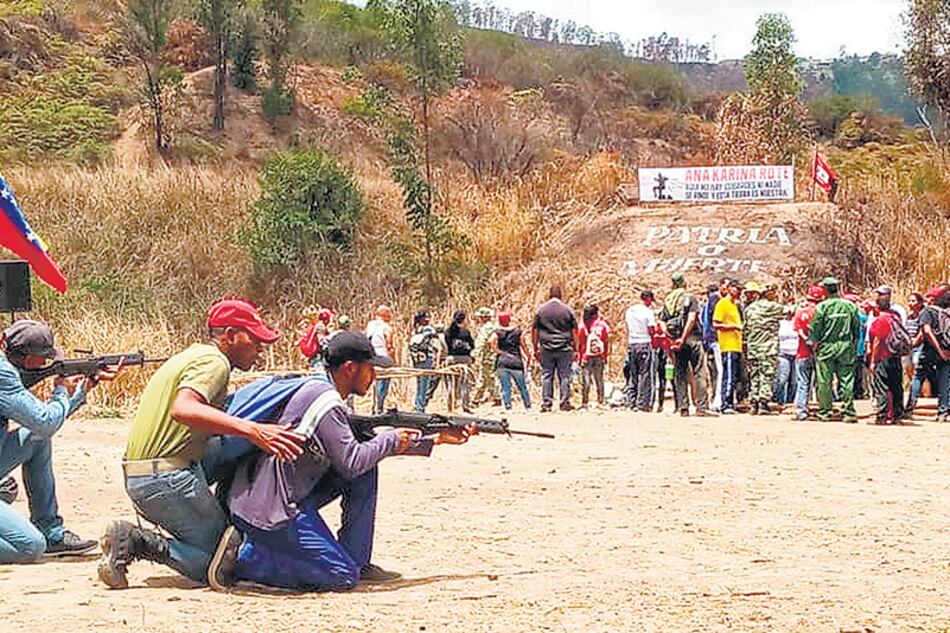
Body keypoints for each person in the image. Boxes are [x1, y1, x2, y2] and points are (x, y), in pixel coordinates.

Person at [211, 331, 474, 592]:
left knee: (366, 471)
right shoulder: (325, 401)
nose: (375, 376)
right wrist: (391, 439)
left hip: (275, 495)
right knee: (340, 576)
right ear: (350, 368)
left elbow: (359, 453)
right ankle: (244, 559)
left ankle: (357, 561)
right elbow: (351, 460)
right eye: (370, 369)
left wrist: (434, 439)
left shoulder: (319, 389)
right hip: (271, 509)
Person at [97, 299, 306, 589]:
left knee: (240, 450)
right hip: (163, 478)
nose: (261, 347)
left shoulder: (193, 355)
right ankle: (138, 541)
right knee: (219, 561)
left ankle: (217, 513)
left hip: (145, 471)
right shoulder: (215, 362)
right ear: (231, 335)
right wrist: (254, 431)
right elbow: (184, 409)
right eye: (255, 338)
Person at [0, 320, 118, 563]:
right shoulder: (5, 376)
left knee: (38, 439)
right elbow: (45, 420)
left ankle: (52, 532)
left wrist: (81, 391)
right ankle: (44, 538)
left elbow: (42, 426)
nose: (46, 363)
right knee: (30, 546)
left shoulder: (7, 368)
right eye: (43, 358)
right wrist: (61, 389)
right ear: (26, 357)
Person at [808, 278, 862, 423]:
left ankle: (825, 412)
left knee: (824, 381)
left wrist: (814, 346)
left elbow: (815, 330)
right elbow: (857, 328)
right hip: (846, 347)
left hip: (826, 348)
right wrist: (854, 345)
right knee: (846, 380)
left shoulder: (822, 307)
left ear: (825, 290)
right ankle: (849, 413)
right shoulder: (850, 306)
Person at [661, 273, 712, 417]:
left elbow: (662, 322)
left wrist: (671, 339)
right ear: (684, 283)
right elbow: (691, 319)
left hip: (676, 341)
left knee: (680, 374)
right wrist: (683, 338)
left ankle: (683, 407)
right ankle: (701, 407)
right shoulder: (690, 298)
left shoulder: (669, 300)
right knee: (699, 372)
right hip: (692, 339)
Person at [743, 282, 790, 415]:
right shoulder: (772, 307)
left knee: (755, 376)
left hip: (753, 348)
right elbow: (789, 311)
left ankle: (754, 404)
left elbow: (745, 329)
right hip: (768, 347)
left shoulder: (749, 309)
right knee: (767, 375)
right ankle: (763, 404)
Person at [532, 287, 578, 412]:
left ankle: (547, 403)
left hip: (546, 347)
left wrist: (535, 347)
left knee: (547, 375)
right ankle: (564, 402)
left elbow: (535, 330)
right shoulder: (567, 310)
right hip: (564, 347)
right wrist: (576, 348)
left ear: (549, 295)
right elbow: (574, 330)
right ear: (560, 295)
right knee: (564, 375)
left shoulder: (541, 310)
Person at [908, 285, 950, 421]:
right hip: (946, 349)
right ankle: (943, 412)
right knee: (944, 380)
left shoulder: (928, 312)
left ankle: (909, 407)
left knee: (918, 376)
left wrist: (937, 349)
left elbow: (926, 331)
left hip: (931, 350)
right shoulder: (947, 312)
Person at [867, 286, 908, 424]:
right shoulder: (895, 317)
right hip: (895, 356)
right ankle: (897, 414)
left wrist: (873, 361)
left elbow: (878, 342)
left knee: (881, 386)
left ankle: (882, 415)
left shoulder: (880, 320)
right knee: (896, 385)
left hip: (882, 357)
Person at [792, 285, 826, 420]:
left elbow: (799, 330)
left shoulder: (800, 311)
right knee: (821, 383)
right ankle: (823, 410)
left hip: (802, 352)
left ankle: (801, 411)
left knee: (803, 383)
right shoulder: (822, 311)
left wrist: (807, 339)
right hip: (820, 353)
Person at [490, 310, 533, 411]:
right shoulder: (517, 331)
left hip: (502, 362)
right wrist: (528, 356)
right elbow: (524, 345)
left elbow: (491, 341)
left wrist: (498, 351)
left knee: (505, 386)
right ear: (509, 319)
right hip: (516, 361)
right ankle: (527, 405)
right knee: (522, 386)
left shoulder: (497, 332)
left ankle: (508, 406)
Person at [712, 280, 743, 415]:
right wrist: (733, 327)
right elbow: (716, 323)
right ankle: (726, 403)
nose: (739, 292)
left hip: (737, 345)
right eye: (736, 289)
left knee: (734, 376)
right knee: (729, 375)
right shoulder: (723, 303)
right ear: (730, 288)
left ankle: (730, 402)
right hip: (728, 344)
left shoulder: (734, 305)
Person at [624, 290, 657, 412]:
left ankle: (630, 401)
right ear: (648, 299)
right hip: (644, 343)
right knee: (645, 374)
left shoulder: (630, 310)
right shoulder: (648, 312)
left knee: (633, 374)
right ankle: (642, 403)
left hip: (632, 343)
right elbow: (651, 330)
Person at [577, 305, 610, 408]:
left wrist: (579, 356)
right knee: (599, 379)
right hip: (599, 355)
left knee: (585, 380)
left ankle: (584, 402)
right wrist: (605, 355)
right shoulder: (602, 325)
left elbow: (580, 343)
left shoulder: (582, 326)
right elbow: (606, 340)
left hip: (586, 356)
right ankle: (601, 400)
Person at [365, 305, 396, 414]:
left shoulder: (370, 325)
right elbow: (389, 345)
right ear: (386, 316)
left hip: (372, 357)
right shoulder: (386, 327)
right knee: (383, 384)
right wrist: (393, 359)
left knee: (374, 383)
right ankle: (379, 407)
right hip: (383, 357)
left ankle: (374, 407)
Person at [408, 311, 439, 414]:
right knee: (424, 384)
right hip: (426, 359)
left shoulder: (415, 330)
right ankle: (420, 407)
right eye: (426, 317)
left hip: (417, 359)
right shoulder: (428, 329)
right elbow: (435, 332)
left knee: (420, 383)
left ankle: (418, 405)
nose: (428, 319)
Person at [445, 311, 475, 413]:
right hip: (465, 359)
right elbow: (472, 346)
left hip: (452, 358)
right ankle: (465, 406)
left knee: (451, 383)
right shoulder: (466, 332)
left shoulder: (448, 331)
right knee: (464, 383)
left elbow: (446, 346)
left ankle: (451, 406)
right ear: (463, 320)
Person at [701, 282, 725, 412]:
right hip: (716, 340)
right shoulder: (715, 300)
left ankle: (714, 400)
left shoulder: (705, 305)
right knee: (720, 371)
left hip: (708, 342)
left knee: (713, 372)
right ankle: (718, 402)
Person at [471, 308, 499, 407]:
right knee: (488, 377)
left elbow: (481, 342)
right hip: (492, 356)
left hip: (487, 357)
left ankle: (475, 400)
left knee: (485, 377)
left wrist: (475, 354)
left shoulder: (486, 328)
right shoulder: (494, 326)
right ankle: (496, 397)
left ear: (483, 317)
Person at [774, 316, 799, 405]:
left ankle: (790, 402)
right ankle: (779, 400)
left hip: (796, 354)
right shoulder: (780, 323)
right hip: (783, 354)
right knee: (782, 379)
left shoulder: (797, 321)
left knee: (795, 382)